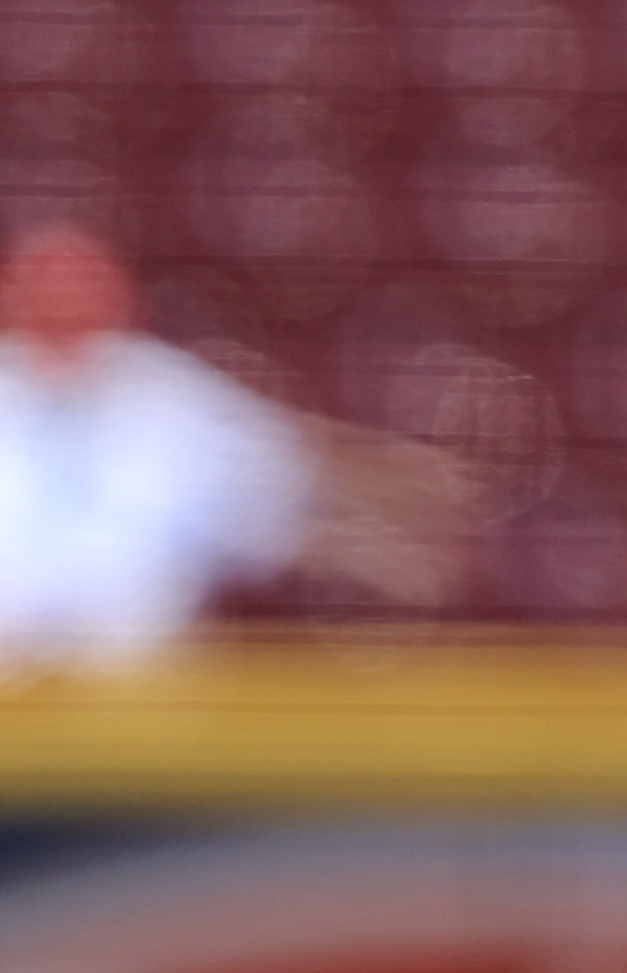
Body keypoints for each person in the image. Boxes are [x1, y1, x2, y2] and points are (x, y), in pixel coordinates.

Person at [0, 224, 472, 670]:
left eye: (80, 285)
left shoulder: (178, 396)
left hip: (140, 671)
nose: (63, 302)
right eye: (43, 284)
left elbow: (277, 500)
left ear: (122, 298)